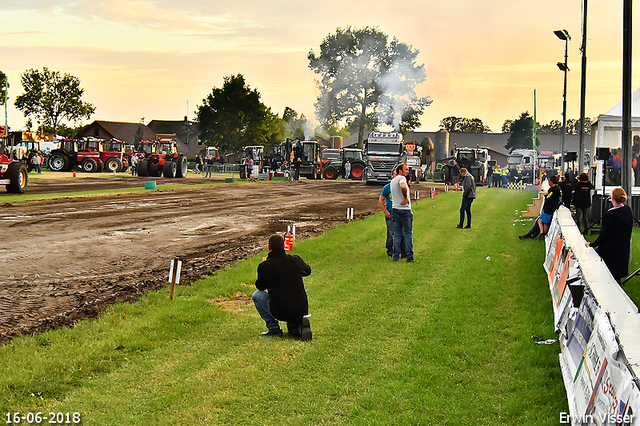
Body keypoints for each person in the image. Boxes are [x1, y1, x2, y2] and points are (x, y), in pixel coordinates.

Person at [251, 234, 312, 340]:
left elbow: (260, 287)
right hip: (300, 309)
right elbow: (307, 270)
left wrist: (264, 266)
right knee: (293, 325)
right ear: (284, 246)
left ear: (269, 248)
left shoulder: (265, 266)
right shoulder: (295, 260)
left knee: (257, 295)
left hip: (279, 310)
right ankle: (297, 327)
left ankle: (274, 328)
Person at [587, 187, 634, 284]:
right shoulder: (628, 210)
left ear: (612, 198)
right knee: (616, 277)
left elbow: (604, 234)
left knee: (607, 275)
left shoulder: (611, 215)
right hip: (623, 248)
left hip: (610, 250)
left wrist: (592, 244)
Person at [379, 170, 406, 258]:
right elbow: (381, 200)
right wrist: (385, 211)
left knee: (402, 233)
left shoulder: (402, 187)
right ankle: (390, 250)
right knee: (391, 233)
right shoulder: (387, 187)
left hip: (401, 213)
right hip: (390, 214)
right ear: (392, 176)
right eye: (395, 174)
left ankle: (403, 251)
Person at [390, 163, 414, 262]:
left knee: (397, 233)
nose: (407, 171)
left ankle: (396, 255)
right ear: (400, 171)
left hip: (395, 209)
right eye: (406, 169)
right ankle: (409, 256)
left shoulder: (392, 181)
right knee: (408, 233)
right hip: (404, 210)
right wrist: (405, 197)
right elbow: (403, 186)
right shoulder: (402, 179)